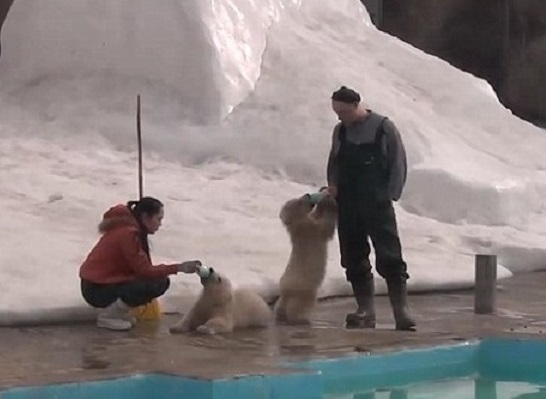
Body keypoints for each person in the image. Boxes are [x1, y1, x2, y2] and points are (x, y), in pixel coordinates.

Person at [323, 86, 416, 331]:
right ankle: (365, 309)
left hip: (376, 201)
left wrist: (390, 194)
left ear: (356, 106)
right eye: (336, 112)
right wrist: (333, 185)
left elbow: (398, 162)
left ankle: (401, 310)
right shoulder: (340, 132)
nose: (339, 117)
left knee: (389, 254)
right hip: (348, 202)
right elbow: (335, 162)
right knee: (353, 255)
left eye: (342, 111)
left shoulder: (383, 128)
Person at [79, 196, 202, 331]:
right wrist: (179, 267)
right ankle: (110, 316)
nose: (160, 224)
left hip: (98, 284)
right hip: (96, 289)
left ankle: (118, 313)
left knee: (153, 281)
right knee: (156, 283)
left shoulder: (129, 230)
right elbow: (144, 271)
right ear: (145, 217)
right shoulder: (128, 234)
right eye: (158, 219)